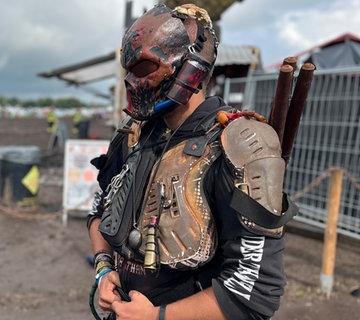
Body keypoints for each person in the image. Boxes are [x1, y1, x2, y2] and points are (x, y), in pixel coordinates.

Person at [87, 3, 297, 320]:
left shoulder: (237, 145)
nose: (132, 80)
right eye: (128, 68)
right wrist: (104, 270)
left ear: (190, 68)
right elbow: (99, 210)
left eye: (144, 68)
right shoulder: (134, 134)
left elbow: (254, 290)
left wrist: (157, 317)